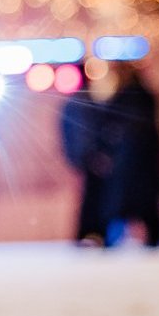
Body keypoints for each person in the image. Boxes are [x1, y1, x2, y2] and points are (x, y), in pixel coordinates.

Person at [96, 62, 159, 248]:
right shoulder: (146, 95)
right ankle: (153, 237)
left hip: (128, 158)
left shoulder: (123, 96)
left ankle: (112, 237)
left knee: (121, 202)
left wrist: (106, 150)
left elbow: (105, 125)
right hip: (144, 158)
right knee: (145, 203)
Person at [58, 69, 108, 244]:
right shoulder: (84, 102)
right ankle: (91, 232)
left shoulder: (75, 102)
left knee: (91, 197)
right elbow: (83, 133)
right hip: (89, 157)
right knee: (93, 198)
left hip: (84, 156)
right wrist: (91, 155)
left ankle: (90, 233)